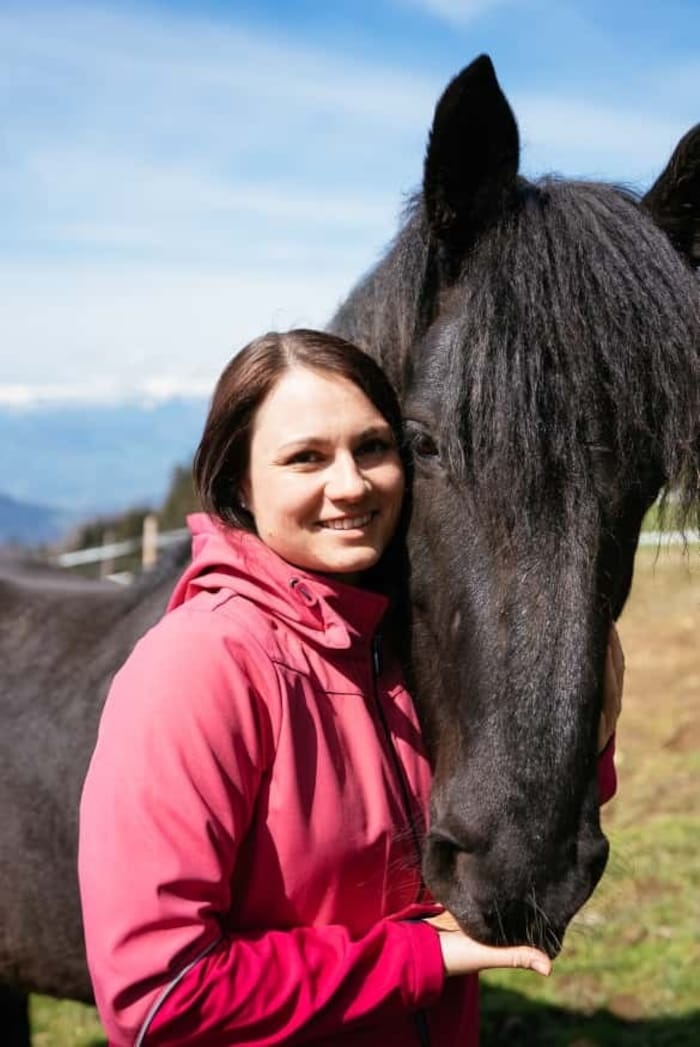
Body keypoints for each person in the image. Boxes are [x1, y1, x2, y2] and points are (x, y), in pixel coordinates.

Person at [78, 329, 622, 1046]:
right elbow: (157, 993)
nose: (351, 484)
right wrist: (419, 958)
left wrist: (590, 736)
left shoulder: (399, 641)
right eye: (306, 457)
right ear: (241, 482)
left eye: (372, 446)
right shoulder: (199, 666)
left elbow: (503, 842)